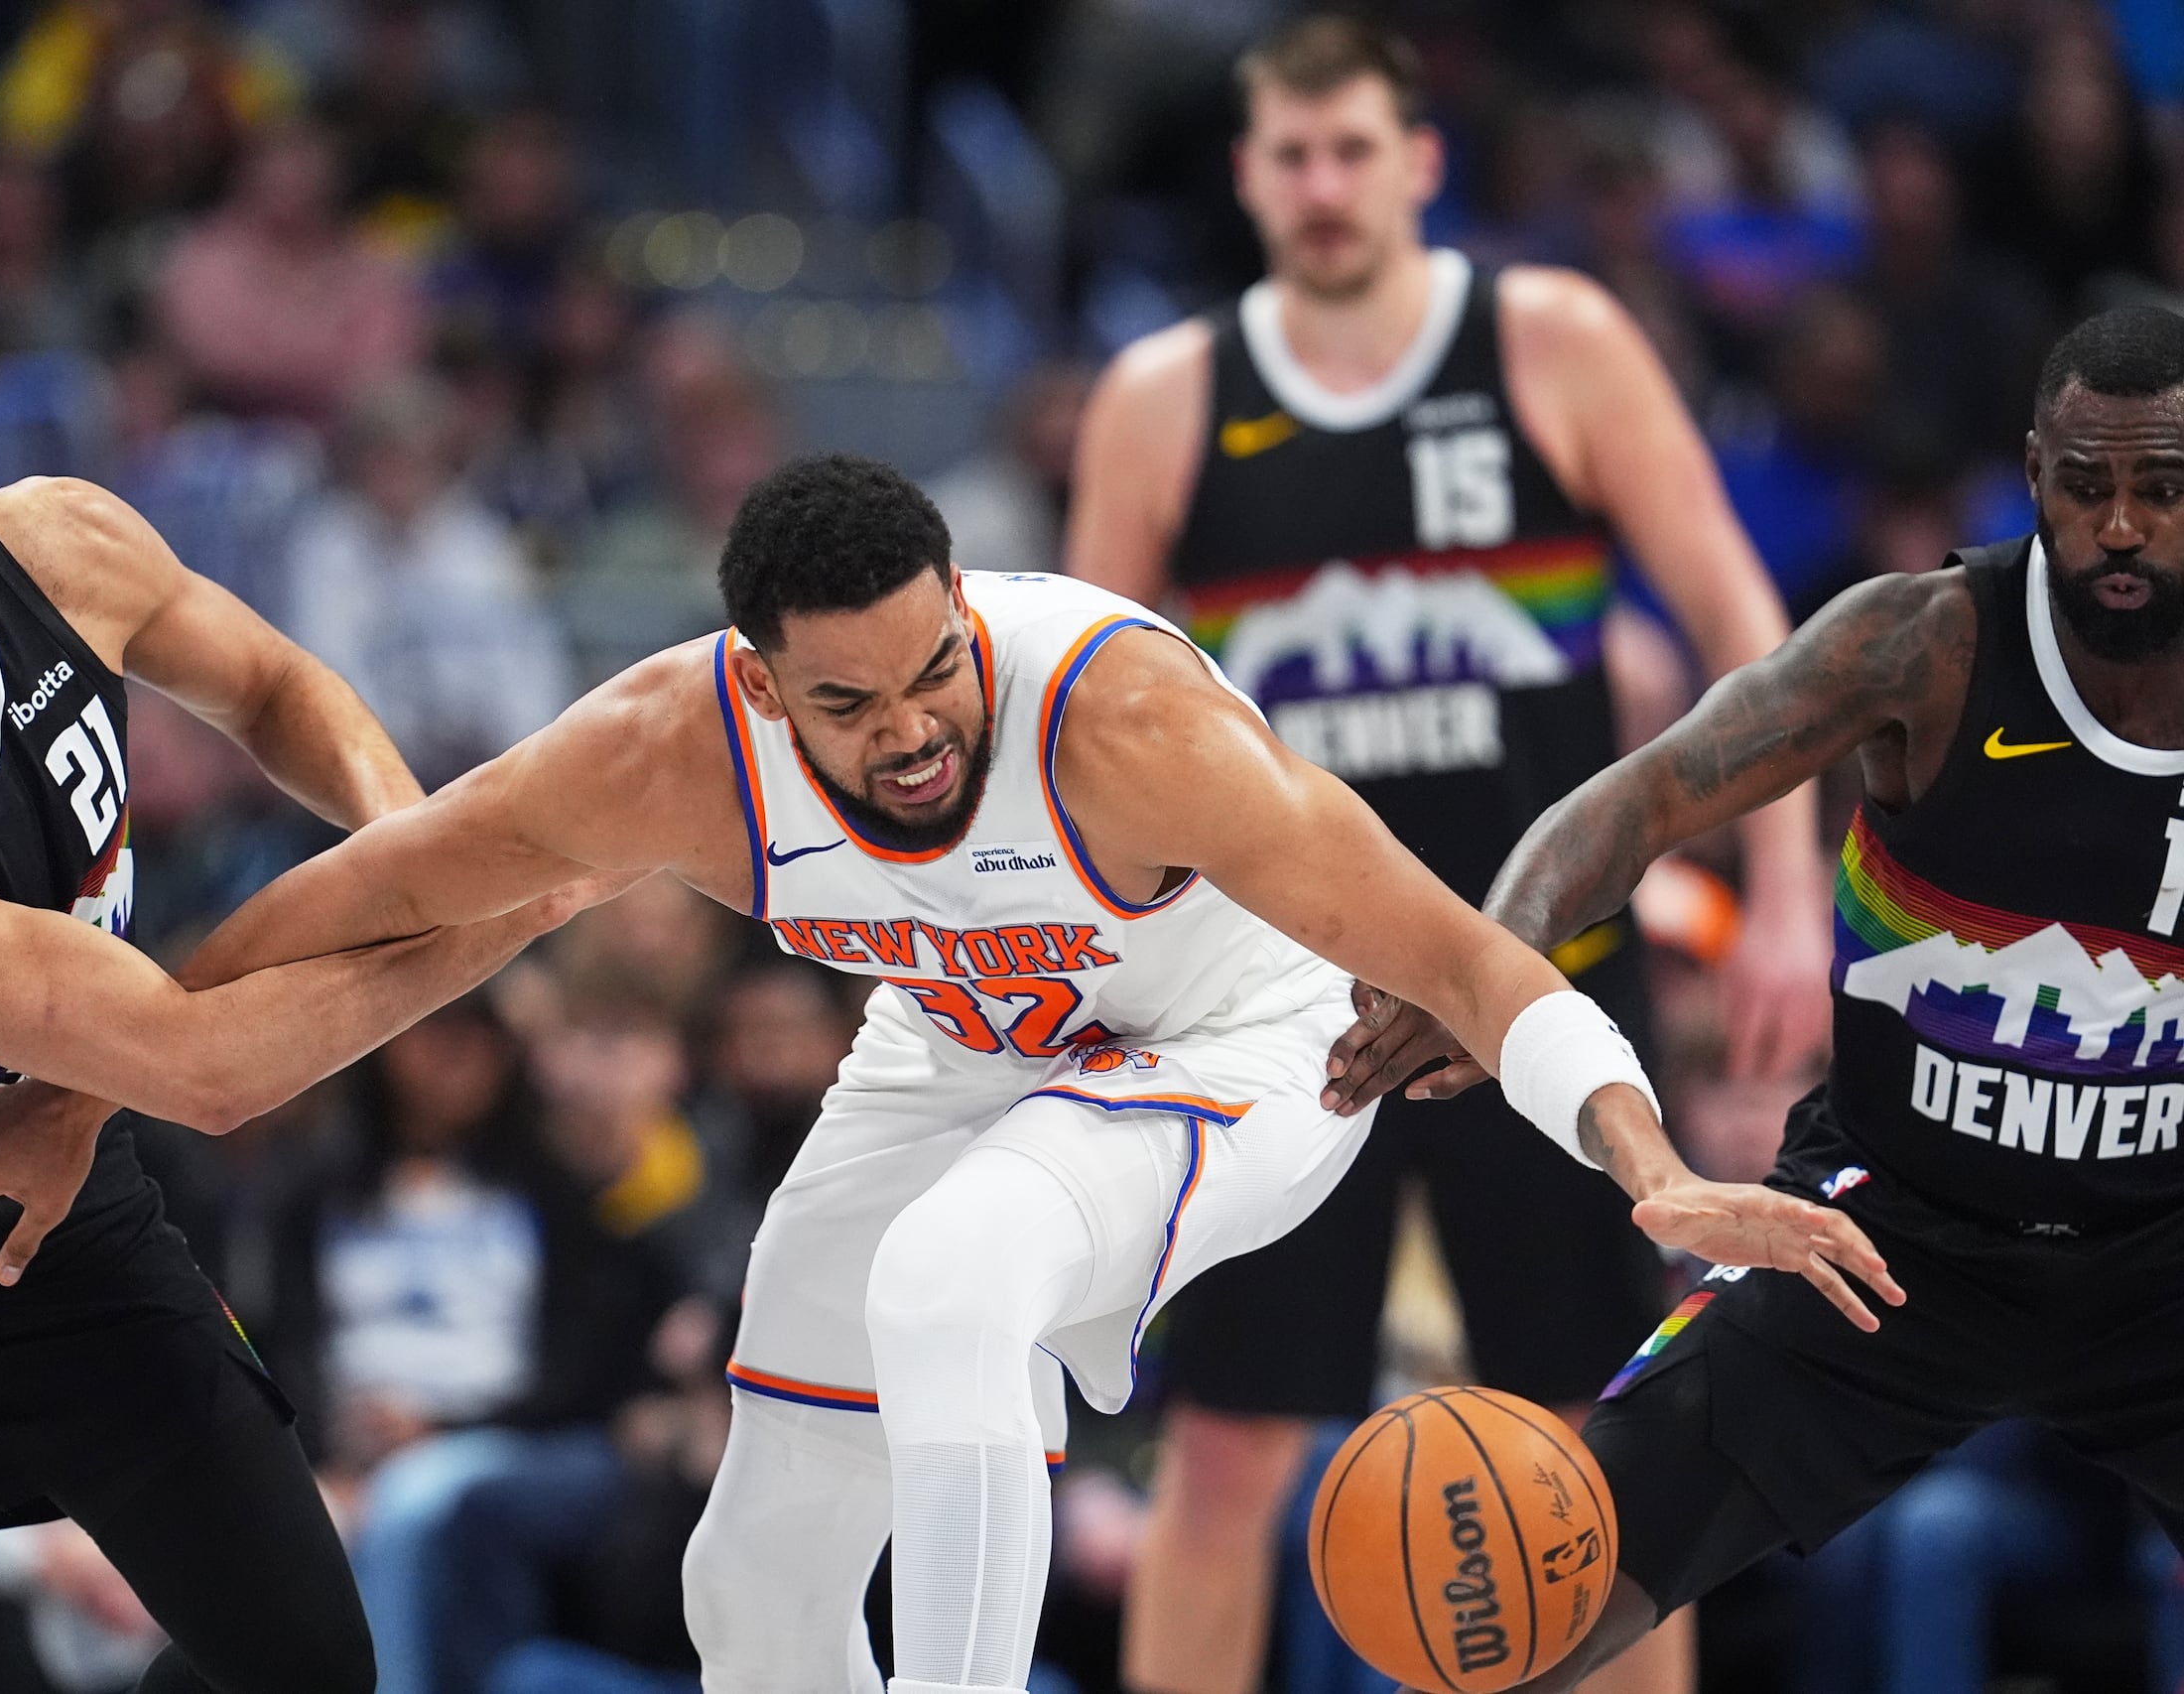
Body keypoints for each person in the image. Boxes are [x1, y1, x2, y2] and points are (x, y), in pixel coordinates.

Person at [126, 450, 1893, 1694]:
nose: (911, 731)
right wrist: (101, 1067)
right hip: (956, 1042)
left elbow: (1468, 961)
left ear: (967, 608)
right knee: (752, 1596)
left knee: (953, 1274)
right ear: (765, 693)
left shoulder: (1125, 722)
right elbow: (370, 887)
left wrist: (1652, 1166)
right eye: (850, 706)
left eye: (933, 672)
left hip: (1244, 1044)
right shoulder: (666, 753)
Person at [0, 337, 604, 1694]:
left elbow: (272, 687)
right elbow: (205, 1073)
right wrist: (508, 907)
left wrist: (425, 857)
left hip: (30, 1156)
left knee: (305, 1672)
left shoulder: (63, 546)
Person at [1062, 18, 1825, 1692]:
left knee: (1597, 1450)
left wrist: (1786, 896)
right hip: (1283, 1009)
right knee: (1226, 1446)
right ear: (1248, 175)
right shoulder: (1165, 397)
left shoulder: (1553, 340)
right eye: (1293, 155)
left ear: (1419, 161)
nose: (1324, 186)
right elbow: (1079, 726)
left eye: (1354, 150)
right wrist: (1094, 981)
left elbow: (1748, 639)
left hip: (1537, 986)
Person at [1327, 304, 2184, 1687]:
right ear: (2034, 474)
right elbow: (1642, 797)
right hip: (1882, 1237)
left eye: (2163, 488)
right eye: (2089, 487)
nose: (2124, 527)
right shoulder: (1923, 645)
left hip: (2162, 1257)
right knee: (1532, 1601)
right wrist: (1489, 960)